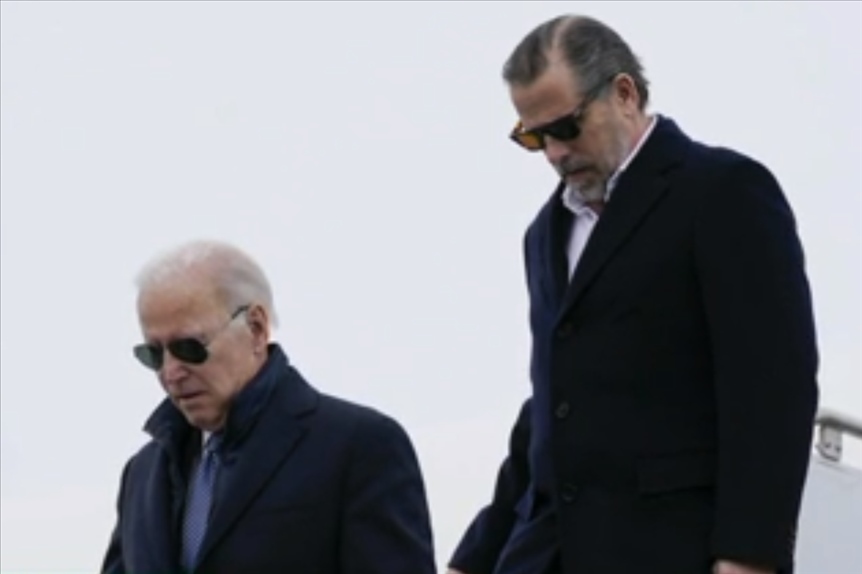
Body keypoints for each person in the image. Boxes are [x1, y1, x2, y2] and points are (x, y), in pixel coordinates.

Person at [447, 14, 819, 574]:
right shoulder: (543, 235)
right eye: (533, 137)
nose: (554, 152)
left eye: (566, 127)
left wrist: (750, 555)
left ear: (624, 93)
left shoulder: (722, 192)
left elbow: (772, 388)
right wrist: (475, 557)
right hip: (545, 554)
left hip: (671, 549)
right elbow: (552, 405)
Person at [101, 239, 437, 574]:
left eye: (189, 347)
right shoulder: (142, 474)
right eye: (153, 354)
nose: (171, 372)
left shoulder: (359, 447)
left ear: (256, 328)